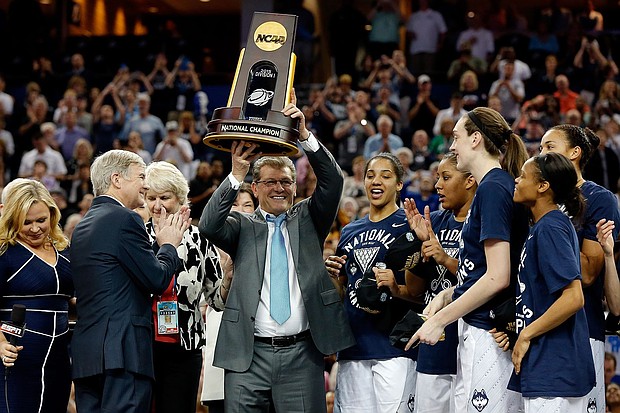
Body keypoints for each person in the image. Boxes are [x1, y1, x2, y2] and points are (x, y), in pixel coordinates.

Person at [198, 91, 354, 413]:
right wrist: (236, 174)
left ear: (295, 186)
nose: (279, 188)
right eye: (270, 182)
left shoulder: (310, 219)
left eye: (285, 182)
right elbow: (209, 225)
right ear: (255, 189)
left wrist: (306, 136)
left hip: (301, 354)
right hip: (247, 354)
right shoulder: (241, 226)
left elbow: (333, 181)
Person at [408, 107, 529, 412]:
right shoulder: (494, 186)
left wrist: (439, 320)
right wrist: (450, 294)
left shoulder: (492, 187)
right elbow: (481, 270)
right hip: (479, 327)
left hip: (487, 332)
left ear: (476, 139)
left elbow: (498, 276)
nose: (451, 145)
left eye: (456, 137)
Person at [70, 149, 190, 413]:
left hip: (87, 357)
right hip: (122, 355)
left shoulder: (81, 226)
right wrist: (168, 245)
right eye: (141, 176)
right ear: (117, 179)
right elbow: (157, 279)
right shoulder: (125, 219)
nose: (145, 185)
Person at [325, 152, 417, 413]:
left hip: (395, 347)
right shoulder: (350, 230)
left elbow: (422, 291)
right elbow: (342, 289)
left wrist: (396, 288)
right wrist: (331, 275)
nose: (376, 181)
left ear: (399, 184)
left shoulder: (410, 225)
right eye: (370, 175)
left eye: (386, 176)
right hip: (354, 347)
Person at [539, 124, 620, 412]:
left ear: (574, 153)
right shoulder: (538, 199)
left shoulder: (599, 199)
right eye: (539, 149)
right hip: (537, 327)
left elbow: (587, 273)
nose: (541, 155)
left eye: (550, 147)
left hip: (581, 329)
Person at [510, 152, 595, 411]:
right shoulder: (546, 225)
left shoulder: (551, 227)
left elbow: (574, 297)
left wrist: (526, 334)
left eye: (523, 176)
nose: (516, 180)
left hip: (554, 367)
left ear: (542, 186)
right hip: (549, 366)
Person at [142, 161, 225, 413]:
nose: (157, 205)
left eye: (164, 197)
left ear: (180, 199)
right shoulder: (135, 235)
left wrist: (229, 276)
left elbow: (218, 300)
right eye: (151, 197)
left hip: (185, 347)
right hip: (142, 346)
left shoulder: (200, 239)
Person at [398, 152, 477, 413]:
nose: (438, 186)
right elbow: (415, 289)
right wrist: (419, 243)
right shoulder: (437, 220)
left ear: (470, 180)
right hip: (435, 340)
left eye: (446, 177)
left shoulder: (483, 223)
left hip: (472, 336)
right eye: (437, 178)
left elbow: (486, 279)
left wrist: (445, 258)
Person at [0, 179, 73, 413]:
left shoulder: (64, 250)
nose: (35, 228)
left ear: (52, 214)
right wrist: (0, 343)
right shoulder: (5, 253)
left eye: (41, 220)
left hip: (59, 360)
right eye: (26, 222)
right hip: (16, 359)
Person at [201, 183, 257, 413]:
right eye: (234, 204)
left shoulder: (264, 243)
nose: (240, 210)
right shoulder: (206, 246)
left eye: (248, 205)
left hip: (255, 347)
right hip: (217, 343)